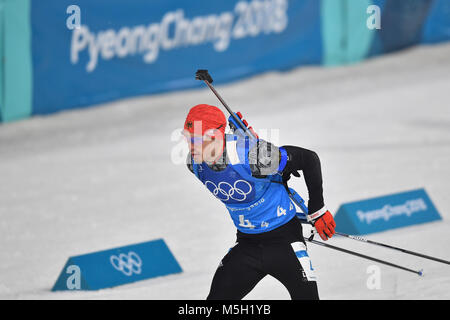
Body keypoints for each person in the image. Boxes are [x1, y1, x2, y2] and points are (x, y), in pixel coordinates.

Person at [182, 104, 336, 300]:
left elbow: (309, 159)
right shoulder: (194, 163)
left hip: (284, 242)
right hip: (247, 245)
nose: (190, 147)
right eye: (188, 138)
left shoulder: (252, 155)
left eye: (195, 140)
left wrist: (317, 211)